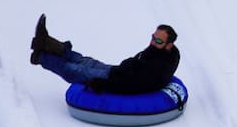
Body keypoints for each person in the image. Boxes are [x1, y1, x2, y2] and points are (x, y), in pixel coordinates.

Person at [30, 14, 180, 95]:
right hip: (118, 71)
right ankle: (45, 42)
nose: (153, 42)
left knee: (75, 70)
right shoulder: (163, 51)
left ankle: (40, 57)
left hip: (116, 79)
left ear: (169, 44)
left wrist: (102, 84)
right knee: (83, 60)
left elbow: (133, 85)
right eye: (153, 37)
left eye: (158, 40)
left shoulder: (157, 67)